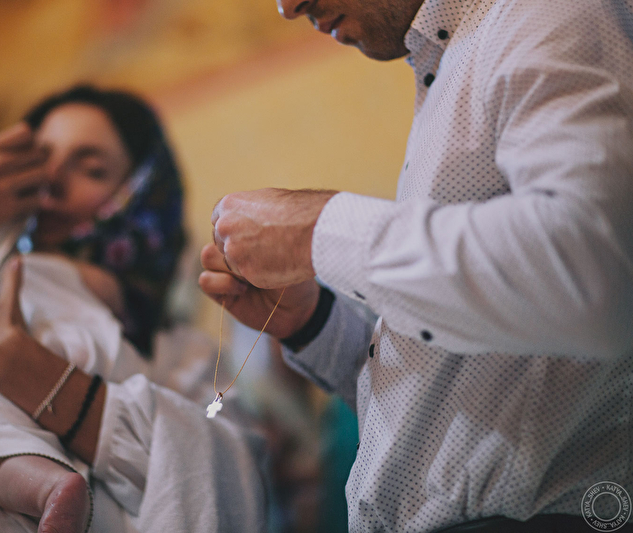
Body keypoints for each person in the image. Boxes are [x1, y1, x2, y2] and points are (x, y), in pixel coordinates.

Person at [199, 0, 633, 532]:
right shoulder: (448, 61)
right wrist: (313, 323)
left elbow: (595, 277)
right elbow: (461, 392)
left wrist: (320, 229)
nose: (288, 7)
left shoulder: (544, 13)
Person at [0, 85, 267, 532]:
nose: (51, 183)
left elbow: (236, 484)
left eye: (92, 169)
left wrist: (26, 368)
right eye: (38, 163)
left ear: (142, 194)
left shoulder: (188, 359)